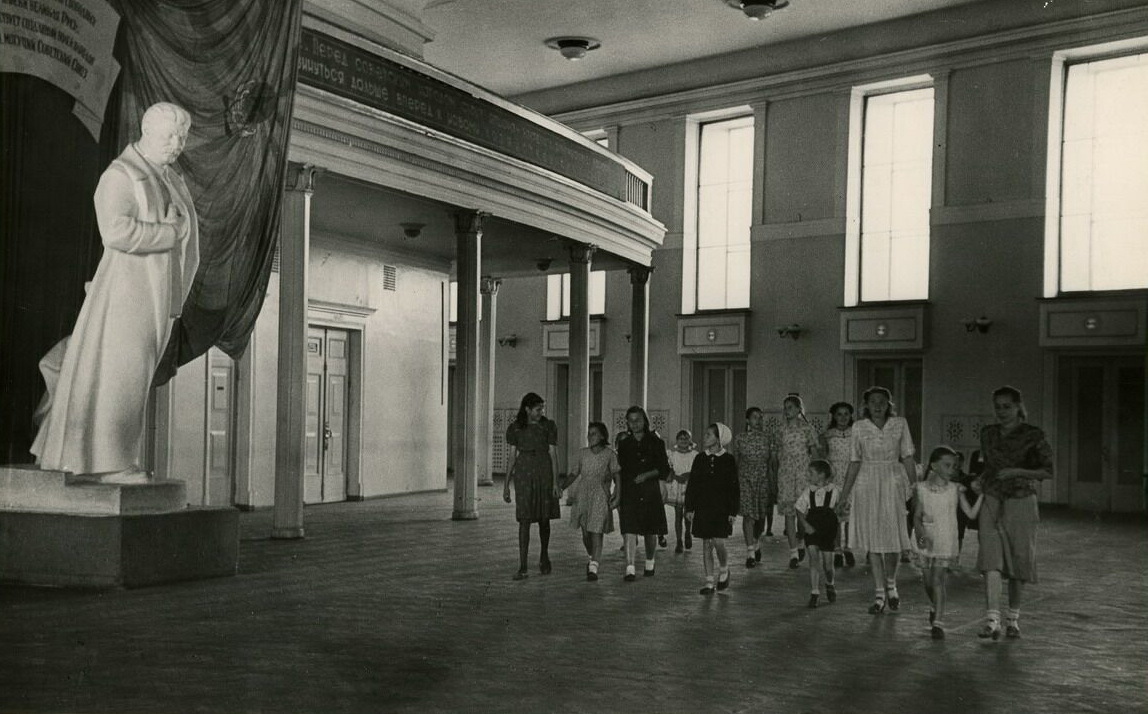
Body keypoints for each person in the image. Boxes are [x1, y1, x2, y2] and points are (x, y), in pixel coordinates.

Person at [31, 102, 198, 481]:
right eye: (169, 136)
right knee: (121, 377)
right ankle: (109, 463)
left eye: (181, 138)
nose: (176, 145)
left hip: (157, 296)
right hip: (127, 295)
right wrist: (169, 233)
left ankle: (107, 459)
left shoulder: (169, 179)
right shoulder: (122, 174)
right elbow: (116, 231)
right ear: (146, 132)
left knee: (133, 379)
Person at [976, 386, 1053, 640]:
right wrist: (979, 481)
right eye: (997, 407)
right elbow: (988, 468)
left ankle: (1013, 619)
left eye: (1007, 406)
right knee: (991, 559)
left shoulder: (1033, 435)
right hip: (992, 498)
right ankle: (992, 619)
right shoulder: (988, 434)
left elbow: (1048, 471)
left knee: (1019, 559)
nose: (1002, 411)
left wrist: (1017, 472)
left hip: (1021, 500)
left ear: (1019, 407)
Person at [838, 386, 916, 614]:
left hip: (892, 482)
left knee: (892, 539)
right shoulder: (859, 427)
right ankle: (879, 593)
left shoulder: (900, 423)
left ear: (889, 404)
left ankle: (892, 585)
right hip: (867, 484)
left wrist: (915, 487)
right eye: (873, 401)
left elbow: (908, 457)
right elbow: (854, 461)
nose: (878, 405)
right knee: (873, 541)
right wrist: (844, 495)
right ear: (866, 405)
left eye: (882, 401)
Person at [911, 446, 983, 639]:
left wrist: (982, 495)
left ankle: (938, 623)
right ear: (934, 466)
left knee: (937, 580)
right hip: (925, 538)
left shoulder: (955, 489)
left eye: (954, 466)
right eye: (947, 465)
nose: (951, 469)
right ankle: (935, 606)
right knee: (928, 581)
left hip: (945, 539)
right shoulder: (921, 489)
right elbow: (917, 516)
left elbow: (971, 514)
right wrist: (921, 536)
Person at [503, 392, 562, 580]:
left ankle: (544, 555)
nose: (541, 412)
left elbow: (553, 455)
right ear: (527, 409)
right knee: (524, 519)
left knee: (544, 518)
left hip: (544, 472)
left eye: (542, 408)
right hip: (524, 474)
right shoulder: (516, 428)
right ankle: (523, 566)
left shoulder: (548, 426)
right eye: (538, 409)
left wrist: (555, 482)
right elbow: (512, 458)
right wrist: (506, 485)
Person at [616, 406, 671, 581]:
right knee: (629, 529)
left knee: (650, 529)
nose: (634, 424)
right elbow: (620, 470)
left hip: (650, 490)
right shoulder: (624, 444)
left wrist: (647, 475)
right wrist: (618, 492)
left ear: (644, 421)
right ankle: (630, 567)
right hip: (630, 491)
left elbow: (663, 468)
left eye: (638, 420)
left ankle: (649, 561)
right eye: (631, 420)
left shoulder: (656, 442)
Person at [685, 423, 739, 595]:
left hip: (721, 508)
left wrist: (733, 511)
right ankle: (709, 582)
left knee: (719, 542)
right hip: (703, 507)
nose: (705, 437)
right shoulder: (700, 458)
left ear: (719, 438)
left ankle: (724, 568)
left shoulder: (728, 459)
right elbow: (693, 484)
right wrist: (690, 508)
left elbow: (734, 488)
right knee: (707, 544)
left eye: (709, 434)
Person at [567, 422, 620, 581]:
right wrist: (560, 487)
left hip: (600, 496)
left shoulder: (610, 455)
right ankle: (592, 557)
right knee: (586, 533)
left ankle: (594, 566)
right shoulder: (583, 453)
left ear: (602, 436)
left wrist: (617, 494)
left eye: (594, 433)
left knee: (597, 530)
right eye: (589, 433)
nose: (590, 437)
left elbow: (617, 475)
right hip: (583, 496)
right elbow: (574, 474)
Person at [774, 394, 821, 569]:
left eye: (791, 407)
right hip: (786, 473)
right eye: (785, 408)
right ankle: (793, 552)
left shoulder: (807, 429)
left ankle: (801, 540)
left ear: (799, 409)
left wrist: (817, 476)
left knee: (803, 513)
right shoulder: (781, 430)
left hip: (803, 474)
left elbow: (814, 453)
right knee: (789, 513)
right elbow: (777, 452)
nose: (787, 411)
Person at [731, 407, 773, 568]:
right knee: (749, 516)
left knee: (761, 517)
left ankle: (756, 541)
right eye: (755, 417)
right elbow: (735, 461)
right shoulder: (740, 438)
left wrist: (772, 481)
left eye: (761, 417)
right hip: (745, 479)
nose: (759, 420)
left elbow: (771, 462)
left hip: (762, 480)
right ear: (747, 420)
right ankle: (750, 553)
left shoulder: (767, 438)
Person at [795, 459, 840, 608]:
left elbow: (842, 507)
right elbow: (799, 509)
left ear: (821, 475)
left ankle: (830, 583)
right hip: (812, 528)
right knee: (813, 560)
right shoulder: (808, 491)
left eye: (811, 473)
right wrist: (805, 525)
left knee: (828, 565)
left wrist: (840, 513)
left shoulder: (834, 491)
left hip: (828, 530)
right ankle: (814, 592)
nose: (808, 475)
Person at [819, 402, 855, 568]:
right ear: (834, 416)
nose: (843, 417)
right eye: (839, 414)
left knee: (850, 517)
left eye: (846, 414)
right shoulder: (827, 435)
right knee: (836, 516)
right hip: (834, 478)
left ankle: (849, 548)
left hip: (851, 477)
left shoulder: (856, 433)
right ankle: (838, 549)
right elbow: (822, 456)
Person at [665, 429, 697, 554]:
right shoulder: (672, 455)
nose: (683, 441)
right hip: (677, 485)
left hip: (690, 485)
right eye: (681, 439)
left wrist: (689, 475)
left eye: (686, 438)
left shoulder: (694, 455)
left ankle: (688, 532)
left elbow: (697, 470)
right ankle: (679, 541)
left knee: (688, 513)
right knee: (678, 515)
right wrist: (673, 476)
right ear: (677, 441)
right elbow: (670, 470)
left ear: (690, 440)